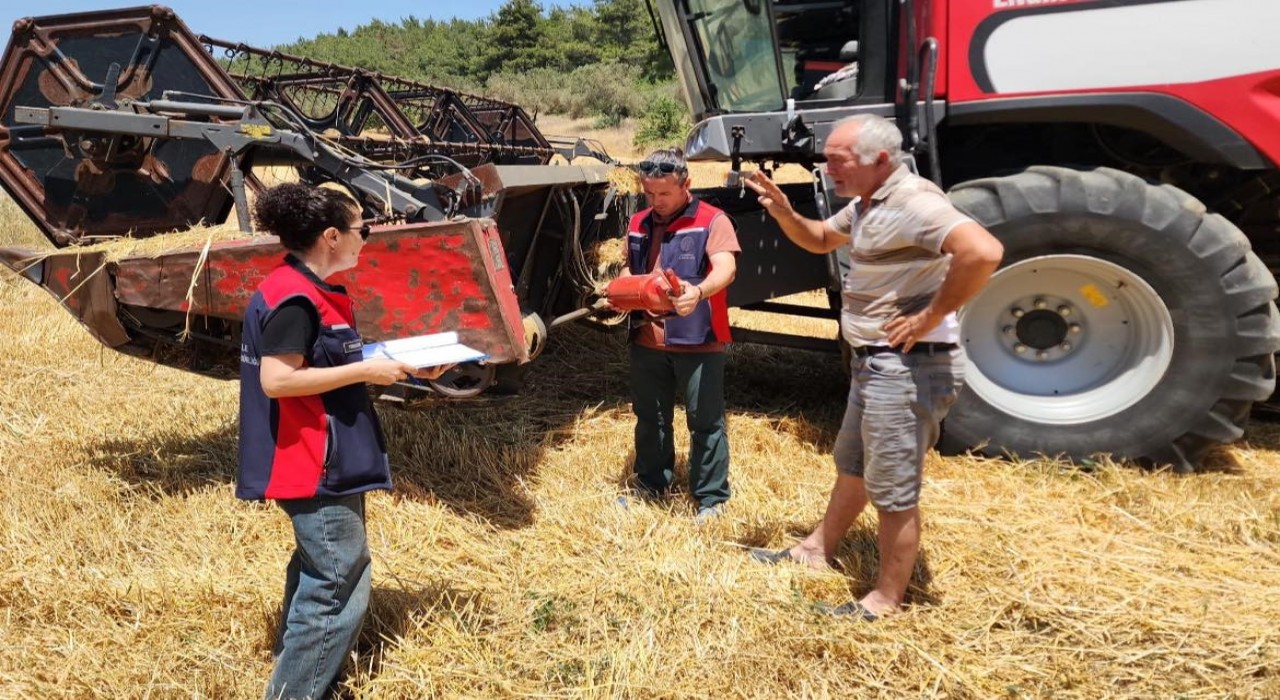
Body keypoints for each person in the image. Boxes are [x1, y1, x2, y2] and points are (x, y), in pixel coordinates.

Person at [744, 114, 1003, 619]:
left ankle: (886, 600)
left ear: (879, 160)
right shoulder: (867, 204)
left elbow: (983, 251)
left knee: (892, 489)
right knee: (855, 467)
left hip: (907, 369)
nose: (827, 169)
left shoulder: (913, 201)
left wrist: (929, 315)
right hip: (875, 365)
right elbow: (820, 238)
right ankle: (816, 550)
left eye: (837, 160)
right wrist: (781, 211)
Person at [236, 183, 448, 699]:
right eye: (361, 230)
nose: (365, 240)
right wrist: (370, 370)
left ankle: (306, 673)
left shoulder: (302, 286)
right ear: (331, 236)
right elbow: (278, 381)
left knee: (317, 567)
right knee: (337, 582)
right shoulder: (295, 299)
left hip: (320, 454)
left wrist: (399, 366)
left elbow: (327, 359)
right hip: (311, 460)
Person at [615, 147, 740, 523]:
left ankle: (711, 498)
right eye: (649, 193)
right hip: (647, 339)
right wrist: (621, 288)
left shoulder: (712, 220)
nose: (655, 201)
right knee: (650, 416)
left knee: (705, 421)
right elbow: (628, 266)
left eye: (664, 194)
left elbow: (726, 267)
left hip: (697, 337)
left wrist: (698, 292)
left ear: (686, 184)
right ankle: (650, 484)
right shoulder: (638, 221)